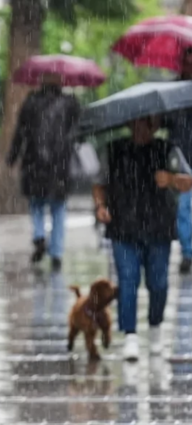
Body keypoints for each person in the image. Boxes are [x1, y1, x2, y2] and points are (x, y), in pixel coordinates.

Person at [93, 115, 192, 361]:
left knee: (158, 283)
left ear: (154, 126)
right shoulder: (114, 150)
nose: (140, 129)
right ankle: (130, 336)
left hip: (158, 229)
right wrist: (100, 206)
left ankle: (156, 327)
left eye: (146, 124)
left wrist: (169, 179)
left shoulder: (168, 150)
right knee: (128, 280)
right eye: (135, 123)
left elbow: (188, 181)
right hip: (123, 228)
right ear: (129, 124)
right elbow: (98, 183)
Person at [7, 73, 81, 270]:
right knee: (58, 208)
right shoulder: (70, 103)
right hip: (60, 164)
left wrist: (13, 156)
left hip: (34, 163)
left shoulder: (31, 102)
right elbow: (79, 131)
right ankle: (56, 252)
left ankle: (39, 235)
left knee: (37, 204)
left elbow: (20, 132)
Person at [168, 47, 192, 273]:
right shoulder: (172, 91)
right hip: (182, 158)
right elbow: (166, 121)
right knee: (184, 207)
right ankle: (188, 252)